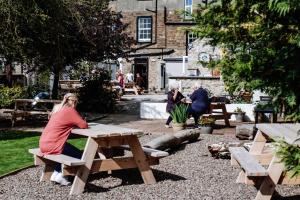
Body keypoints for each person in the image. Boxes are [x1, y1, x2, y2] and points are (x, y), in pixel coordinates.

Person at [39, 93, 88, 186]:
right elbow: (83, 125)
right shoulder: (70, 111)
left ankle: (56, 174)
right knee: (80, 155)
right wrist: (84, 120)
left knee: (66, 152)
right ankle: (62, 175)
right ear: (74, 102)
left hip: (43, 143)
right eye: (77, 103)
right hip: (54, 144)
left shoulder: (58, 109)